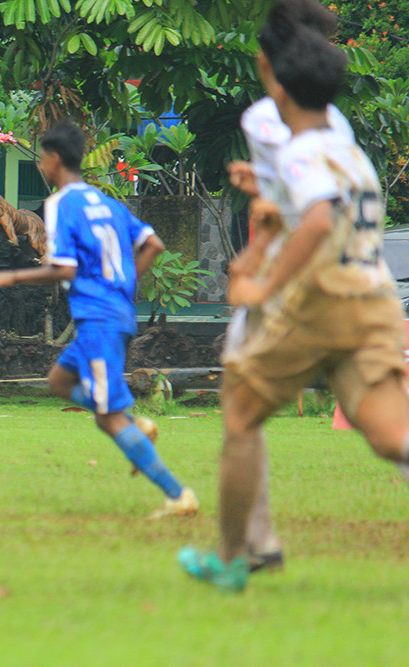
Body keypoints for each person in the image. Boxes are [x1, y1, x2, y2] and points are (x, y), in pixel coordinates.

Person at [180, 8, 409, 592]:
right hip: (375, 301)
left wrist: (264, 283)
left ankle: (233, 558)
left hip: (321, 305)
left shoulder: (299, 149)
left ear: (277, 82)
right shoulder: (348, 151)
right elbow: (330, 208)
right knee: (392, 438)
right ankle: (242, 551)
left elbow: (316, 216)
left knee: (239, 417)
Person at [0, 121, 199, 519]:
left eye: (43, 158)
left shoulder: (62, 203)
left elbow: (63, 270)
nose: (42, 166)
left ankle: (177, 494)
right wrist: (124, 285)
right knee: (59, 381)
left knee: (106, 418)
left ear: (53, 159)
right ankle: (139, 426)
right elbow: (153, 243)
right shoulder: (107, 202)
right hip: (109, 314)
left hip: (100, 320)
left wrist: (10, 276)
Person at [221, 0, 351, 576]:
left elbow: (302, 212)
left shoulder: (262, 118)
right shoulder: (335, 119)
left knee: (241, 412)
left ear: (273, 56)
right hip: (347, 275)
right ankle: (257, 541)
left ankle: (252, 544)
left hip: (291, 278)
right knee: (380, 415)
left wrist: (257, 277)